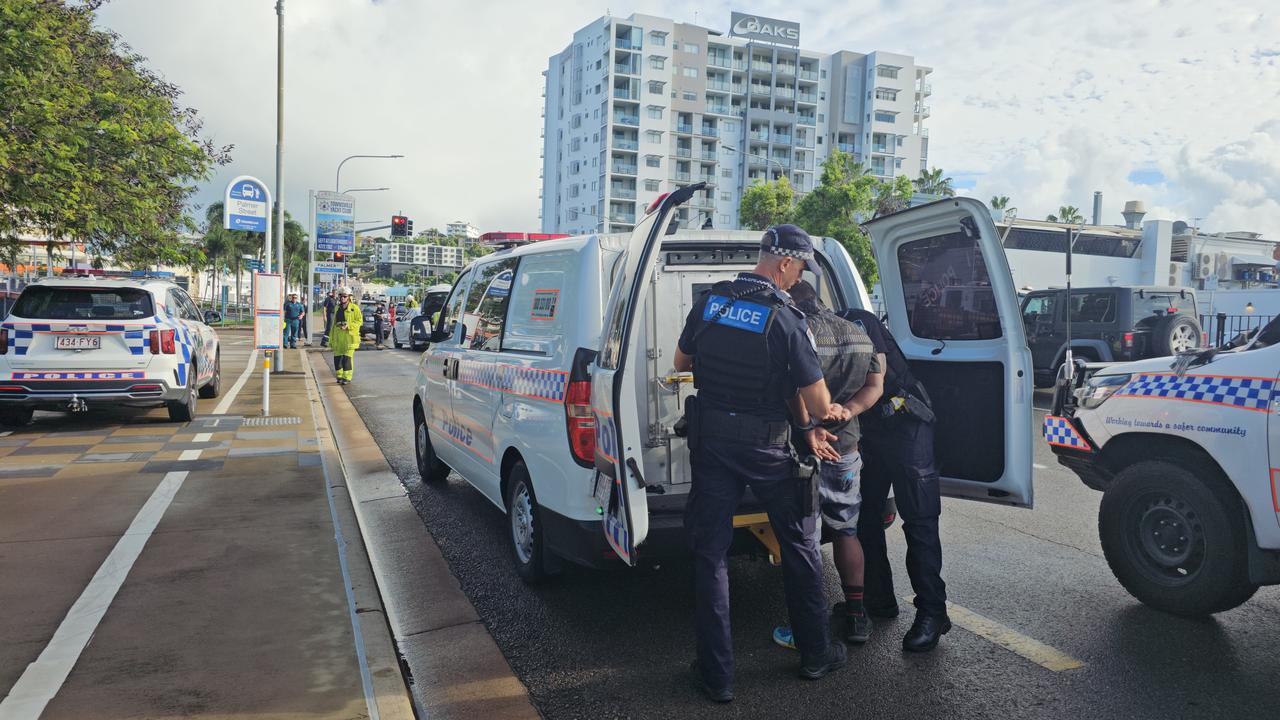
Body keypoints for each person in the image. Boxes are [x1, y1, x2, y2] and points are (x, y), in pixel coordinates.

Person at [674, 224, 849, 704]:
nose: (798, 280)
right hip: (767, 446)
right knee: (799, 545)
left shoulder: (711, 303)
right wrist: (828, 410)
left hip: (712, 441)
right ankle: (815, 655)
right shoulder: (785, 318)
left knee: (710, 555)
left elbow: (680, 359)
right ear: (784, 264)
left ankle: (717, 676)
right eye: (799, 269)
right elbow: (815, 402)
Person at [770, 281, 885, 650]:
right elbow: (876, 385)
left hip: (804, 449)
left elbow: (792, 389)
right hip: (847, 445)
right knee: (846, 531)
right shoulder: (858, 333)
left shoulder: (797, 332)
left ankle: (807, 627)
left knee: (803, 540)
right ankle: (856, 617)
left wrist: (809, 429)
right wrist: (846, 411)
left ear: (793, 303)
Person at [840, 307, 951, 652]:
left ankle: (932, 612)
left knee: (919, 521)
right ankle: (879, 599)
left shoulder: (857, 321)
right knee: (864, 518)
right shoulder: (808, 331)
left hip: (905, 422)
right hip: (871, 428)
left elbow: (877, 375)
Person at [329, 288, 363, 385]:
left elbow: (359, 321)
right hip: (338, 337)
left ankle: (347, 377)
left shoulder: (354, 308)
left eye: (345, 296)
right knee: (338, 359)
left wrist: (349, 326)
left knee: (347, 359)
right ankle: (339, 376)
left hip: (349, 337)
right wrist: (331, 338)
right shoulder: (337, 308)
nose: (342, 298)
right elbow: (333, 324)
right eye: (341, 296)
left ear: (349, 297)